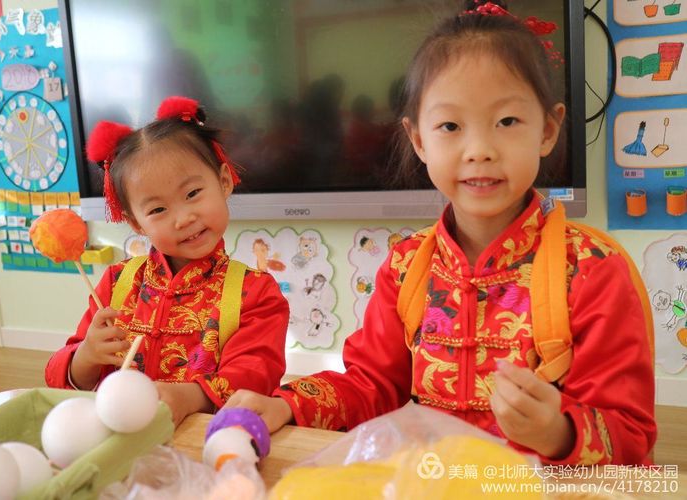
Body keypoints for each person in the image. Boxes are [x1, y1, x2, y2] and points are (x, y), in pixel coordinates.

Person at [225, 1, 656, 465]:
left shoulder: (592, 269)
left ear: (548, 130)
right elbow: (371, 384)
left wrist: (558, 433)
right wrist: (286, 405)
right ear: (419, 141)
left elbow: (631, 433)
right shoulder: (407, 266)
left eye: (507, 122)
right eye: (450, 126)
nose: (479, 150)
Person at [46, 96, 289, 426]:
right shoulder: (117, 284)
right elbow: (62, 378)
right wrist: (86, 357)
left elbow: (255, 376)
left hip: (203, 440)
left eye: (192, 194)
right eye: (158, 209)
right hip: (120, 438)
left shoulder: (256, 293)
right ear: (136, 223)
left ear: (224, 182)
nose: (183, 218)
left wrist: (190, 397)